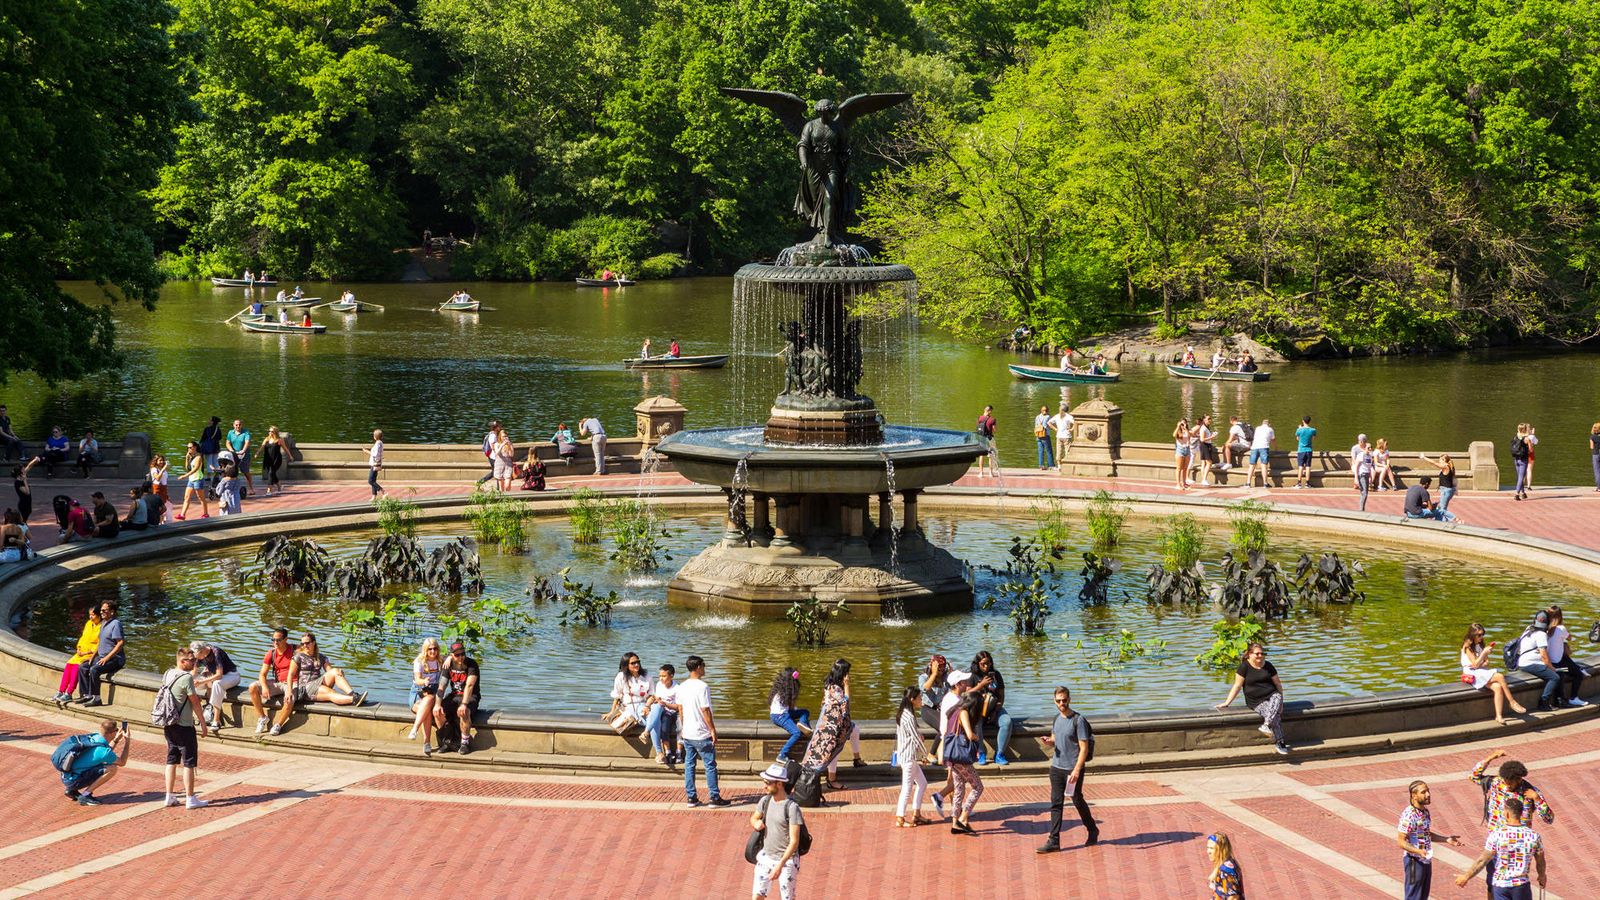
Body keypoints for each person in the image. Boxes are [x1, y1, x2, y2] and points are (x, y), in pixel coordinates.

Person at [1468, 749, 1553, 893]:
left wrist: (1537, 800)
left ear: (1519, 779)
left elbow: (1549, 819)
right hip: (1498, 841)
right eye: (1505, 781)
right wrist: (1492, 757)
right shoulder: (1496, 783)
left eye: (1510, 783)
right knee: (1492, 881)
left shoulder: (1531, 792)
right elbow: (1473, 776)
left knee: (1517, 882)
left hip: (1520, 845)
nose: (1506, 785)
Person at [269, 632, 366, 735]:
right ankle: (354, 699)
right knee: (330, 692)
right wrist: (288, 691)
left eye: (307, 643)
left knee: (336, 671)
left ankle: (352, 694)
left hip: (317, 683)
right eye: (302, 644)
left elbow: (330, 672)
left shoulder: (321, 657)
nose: (304, 646)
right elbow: (290, 675)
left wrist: (339, 673)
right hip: (305, 687)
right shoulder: (298, 657)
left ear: (314, 643)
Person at [1038, 685, 1097, 852]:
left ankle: (1092, 829)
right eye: (1058, 701)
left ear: (1069, 700)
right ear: (1054, 701)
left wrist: (1077, 770)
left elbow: (1084, 748)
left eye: (1064, 700)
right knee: (1056, 804)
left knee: (1077, 800)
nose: (1062, 703)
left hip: (1072, 769)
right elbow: (1056, 738)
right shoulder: (1057, 719)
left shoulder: (1079, 721)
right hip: (1056, 768)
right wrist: (1049, 742)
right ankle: (1054, 841)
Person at [1454, 796, 1545, 898]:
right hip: (1521, 886)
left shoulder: (1497, 835)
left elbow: (1483, 860)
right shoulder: (1533, 836)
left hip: (1501, 886)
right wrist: (1542, 876)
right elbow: (1540, 861)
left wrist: (1466, 877)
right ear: (1521, 813)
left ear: (1506, 814)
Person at [157, 647, 210, 809]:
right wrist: (202, 722)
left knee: (171, 759)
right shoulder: (186, 678)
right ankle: (190, 798)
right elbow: (194, 702)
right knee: (189, 762)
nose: (195, 664)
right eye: (192, 661)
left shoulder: (168, 673)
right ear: (182, 661)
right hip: (184, 725)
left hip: (169, 722)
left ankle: (169, 796)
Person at [1214, 642, 1290, 754]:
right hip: (1256, 701)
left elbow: (1278, 685)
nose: (1260, 656)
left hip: (1272, 696)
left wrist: (1281, 703)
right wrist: (1227, 702)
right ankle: (1280, 742)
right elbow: (1237, 686)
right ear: (1249, 654)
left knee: (1277, 696)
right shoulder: (1244, 667)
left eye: (1262, 653)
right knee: (1275, 716)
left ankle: (1266, 725)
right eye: (1257, 654)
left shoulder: (1268, 665)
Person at [801, 659, 864, 788]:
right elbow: (845, 704)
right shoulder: (835, 688)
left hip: (833, 723)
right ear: (843, 673)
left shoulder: (830, 684)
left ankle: (857, 759)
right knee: (834, 749)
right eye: (847, 672)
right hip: (832, 727)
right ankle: (832, 780)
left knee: (855, 730)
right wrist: (847, 686)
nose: (849, 675)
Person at [1396, 780, 1461, 899]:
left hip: (1425, 860)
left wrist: (1446, 839)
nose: (1428, 794)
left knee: (1423, 896)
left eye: (1428, 791)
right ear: (1414, 795)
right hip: (1414, 862)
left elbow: (1425, 833)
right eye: (1423, 792)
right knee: (1413, 897)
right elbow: (1401, 841)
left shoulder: (1425, 812)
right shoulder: (1408, 815)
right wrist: (1418, 851)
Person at [749, 762, 805, 900]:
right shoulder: (765, 801)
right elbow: (754, 817)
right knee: (757, 896)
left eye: (768, 783)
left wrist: (780, 865)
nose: (764, 786)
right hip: (766, 856)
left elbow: (794, 841)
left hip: (787, 861)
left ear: (779, 784)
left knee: (787, 898)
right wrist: (755, 823)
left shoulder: (792, 808)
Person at [676, 655, 727, 806]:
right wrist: (712, 730)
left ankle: (691, 797)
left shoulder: (682, 686)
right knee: (710, 765)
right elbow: (705, 710)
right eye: (703, 665)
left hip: (688, 733)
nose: (704, 668)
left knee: (689, 765)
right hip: (701, 733)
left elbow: (680, 708)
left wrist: (684, 726)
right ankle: (714, 797)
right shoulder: (702, 686)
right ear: (698, 667)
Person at [1460, 624, 1526, 725]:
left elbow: (1486, 663)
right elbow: (1474, 664)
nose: (1481, 637)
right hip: (1471, 673)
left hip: (1480, 671)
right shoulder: (1467, 646)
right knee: (1500, 676)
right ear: (1472, 635)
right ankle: (1512, 702)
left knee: (1498, 687)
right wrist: (1484, 653)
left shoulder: (1480, 644)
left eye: (1483, 635)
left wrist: (1483, 657)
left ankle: (1498, 716)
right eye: (1479, 635)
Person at [943, 684, 984, 835]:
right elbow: (969, 734)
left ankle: (955, 823)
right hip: (962, 757)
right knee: (978, 787)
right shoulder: (964, 712)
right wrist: (977, 737)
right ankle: (963, 817)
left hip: (953, 756)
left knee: (959, 788)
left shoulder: (954, 710)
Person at [59, 719, 130, 806]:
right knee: (112, 768)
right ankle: (85, 796)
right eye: (116, 730)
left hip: (66, 776)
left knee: (99, 762)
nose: (117, 732)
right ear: (111, 733)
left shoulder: (95, 737)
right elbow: (122, 762)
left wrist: (116, 740)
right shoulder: (103, 752)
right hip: (74, 781)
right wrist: (127, 741)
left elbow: (103, 754)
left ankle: (71, 790)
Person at [433, 641, 480, 754]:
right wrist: (437, 704)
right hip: (454, 695)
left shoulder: (472, 664)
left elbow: (469, 685)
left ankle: (464, 743)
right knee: (438, 712)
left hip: (470, 696)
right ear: (452, 655)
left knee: (464, 712)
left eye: (462, 654)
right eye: (457, 655)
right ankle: (448, 741)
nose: (460, 657)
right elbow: (442, 685)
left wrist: (464, 704)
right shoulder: (448, 664)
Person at [74, 600, 123, 708]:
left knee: (94, 669)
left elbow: (120, 643)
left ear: (112, 612)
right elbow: (101, 642)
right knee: (83, 667)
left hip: (115, 659)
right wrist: (93, 655)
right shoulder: (104, 623)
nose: (101, 613)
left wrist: (107, 658)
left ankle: (97, 698)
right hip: (101, 657)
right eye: (101, 610)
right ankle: (87, 695)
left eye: (104, 610)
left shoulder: (116, 624)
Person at [969, 650, 1013, 765]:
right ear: (977, 664)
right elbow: (966, 694)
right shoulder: (973, 676)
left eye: (988, 663)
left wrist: (996, 710)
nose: (986, 666)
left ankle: (999, 754)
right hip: (979, 709)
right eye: (983, 664)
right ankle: (981, 752)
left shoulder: (996, 675)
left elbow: (1001, 696)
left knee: (1007, 722)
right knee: (976, 723)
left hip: (994, 708)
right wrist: (981, 685)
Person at [894, 686, 929, 828]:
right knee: (907, 788)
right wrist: (925, 755)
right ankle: (900, 818)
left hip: (910, 756)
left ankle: (916, 813)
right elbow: (915, 738)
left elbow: (912, 735)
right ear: (912, 699)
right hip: (908, 757)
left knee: (922, 783)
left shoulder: (905, 713)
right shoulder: (908, 716)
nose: (922, 700)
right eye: (920, 698)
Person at [1512, 611, 1562, 711]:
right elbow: (1544, 656)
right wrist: (1552, 668)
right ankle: (1543, 702)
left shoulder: (1529, 629)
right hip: (1530, 664)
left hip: (1521, 662)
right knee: (1555, 677)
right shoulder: (1541, 634)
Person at [249, 628, 297, 734]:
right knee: (253, 687)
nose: (275, 642)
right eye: (273, 640)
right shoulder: (271, 653)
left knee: (289, 698)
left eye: (278, 640)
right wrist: (265, 687)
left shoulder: (295, 650)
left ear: (286, 639)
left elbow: (312, 653)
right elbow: (262, 674)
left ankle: (278, 725)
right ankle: (262, 717)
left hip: (293, 683)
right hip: (278, 682)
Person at [53, 606, 101, 705]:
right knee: (69, 664)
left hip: (89, 654)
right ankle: (61, 691)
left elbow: (99, 645)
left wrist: (86, 652)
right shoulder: (89, 624)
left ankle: (69, 692)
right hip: (81, 652)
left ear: (98, 615)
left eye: (93, 615)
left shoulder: (102, 627)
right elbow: (83, 637)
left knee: (76, 667)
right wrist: (78, 648)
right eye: (90, 615)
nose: (91, 617)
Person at [189, 641, 239, 729]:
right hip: (215, 676)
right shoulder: (199, 655)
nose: (196, 659)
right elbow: (194, 672)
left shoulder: (216, 652)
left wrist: (201, 682)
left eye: (196, 656)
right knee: (192, 682)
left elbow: (219, 675)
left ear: (202, 651)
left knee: (216, 684)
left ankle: (216, 720)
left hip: (232, 675)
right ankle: (200, 712)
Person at [1544, 605, 1587, 708]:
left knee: (1564, 649)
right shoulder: (1561, 628)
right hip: (1557, 662)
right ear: (1560, 616)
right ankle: (1573, 698)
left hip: (1548, 661)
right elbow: (1570, 638)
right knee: (1578, 675)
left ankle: (1578, 667)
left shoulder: (1545, 629)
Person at [768, 666, 812, 762]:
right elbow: (789, 708)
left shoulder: (781, 690)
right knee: (796, 733)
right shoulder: (784, 693)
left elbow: (790, 708)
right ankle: (782, 755)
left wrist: (796, 711)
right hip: (779, 716)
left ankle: (802, 723)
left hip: (784, 712)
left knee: (805, 711)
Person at [604, 652, 652, 734]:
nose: (636, 665)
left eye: (638, 662)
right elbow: (617, 696)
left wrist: (647, 707)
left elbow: (651, 695)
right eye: (633, 663)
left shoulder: (646, 676)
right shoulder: (621, 676)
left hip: (643, 705)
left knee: (652, 720)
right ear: (626, 665)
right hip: (628, 706)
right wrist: (612, 712)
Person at [409, 637, 443, 753]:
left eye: (435, 649)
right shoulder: (419, 661)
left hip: (432, 693)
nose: (433, 651)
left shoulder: (440, 661)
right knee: (428, 707)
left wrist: (448, 660)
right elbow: (417, 679)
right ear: (425, 650)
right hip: (418, 693)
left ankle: (415, 730)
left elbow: (452, 658)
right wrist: (424, 681)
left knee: (430, 699)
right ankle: (425, 741)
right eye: (430, 649)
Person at [642, 663, 679, 766]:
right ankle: (662, 752)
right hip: (659, 710)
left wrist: (666, 704)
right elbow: (655, 698)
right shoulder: (659, 685)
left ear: (671, 676)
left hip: (670, 712)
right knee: (656, 708)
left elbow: (678, 707)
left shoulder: (677, 688)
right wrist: (647, 706)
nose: (661, 678)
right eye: (660, 676)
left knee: (660, 713)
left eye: (664, 676)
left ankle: (646, 732)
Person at [176, 441, 210, 521]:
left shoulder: (199, 457)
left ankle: (206, 513)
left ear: (195, 447)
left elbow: (195, 469)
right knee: (187, 497)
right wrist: (187, 458)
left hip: (198, 479)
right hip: (191, 480)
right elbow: (187, 468)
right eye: (188, 447)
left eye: (190, 447)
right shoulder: (191, 456)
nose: (189, 449)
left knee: (201, 497)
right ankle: (182, 514)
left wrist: (184, 476)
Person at [1206, 833, 1245, 899]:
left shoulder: (1226, 869)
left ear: (1221, 850)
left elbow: (1234, 897)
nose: (1208, 851)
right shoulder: (1226, 862)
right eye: (1208, 847)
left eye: (1212, 848)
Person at [226, 419, 254, 494]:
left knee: (246, 472)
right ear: (233, 425)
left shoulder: (246, 432)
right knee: (231, 471)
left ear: (242, 425)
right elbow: (228, 443)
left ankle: (251, 488)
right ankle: (231, 487)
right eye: (236, 425)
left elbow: (247, 442)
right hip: (234, 454)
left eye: (239, 425)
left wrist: (243, 450)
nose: (238, 426)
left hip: (244, 455)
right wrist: (231, 450)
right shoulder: (230, 433)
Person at [1509, 423, 1535, 500]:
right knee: (1521, 477)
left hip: (1516, 459)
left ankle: (1523, 493)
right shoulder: (1526, 438)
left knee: (1520, 476)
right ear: (1525, 429)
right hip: (1523, 460)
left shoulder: (1516, 436)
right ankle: (1517, 494)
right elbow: (1531, 450)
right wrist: (1531, 439)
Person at [1247, 418, 1274, 489]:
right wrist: (1276, 448)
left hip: (1254, 447)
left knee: (1252, 465)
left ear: (1262, 423)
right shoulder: (1270, 429)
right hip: (1264, 447)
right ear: (1269, 424)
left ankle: (1248, 483)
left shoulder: (1257, 428)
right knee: (1264, 465)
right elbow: (1273, 439)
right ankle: (1265, 484)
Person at [259, 427, 284, 495]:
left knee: (271, 473)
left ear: (275, 432)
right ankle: (279, 485)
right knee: (272, 473)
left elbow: (285, 448)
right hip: (268, 459)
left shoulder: (279, 440)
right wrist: (257, 453)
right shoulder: (267, 439)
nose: (270, 432)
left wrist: (290, 456)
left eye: (272, 431)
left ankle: (269, 490)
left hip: (276, 459)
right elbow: (262, 446)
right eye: (269, 431)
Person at [1293, 416, 1316, 489]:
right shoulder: (1313, 430)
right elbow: (1313, 439)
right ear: (1310, 421)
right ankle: (1307, 483)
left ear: (1303, 421)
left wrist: (1300, 428)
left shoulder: (1299, 430)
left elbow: (1297, 439)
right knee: (1308, 466)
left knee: (1300, 466)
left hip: (1301, 450)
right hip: (1309, 450)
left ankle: (1299, 483)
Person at [1194, 414, 1217, 486]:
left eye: (1210, 418)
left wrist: (1211, 435)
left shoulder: (1206, 427)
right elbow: (1202, 439)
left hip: (1205, 445)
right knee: (1209, 463)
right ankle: (1204, 479)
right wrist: (1212, 437)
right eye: (1208, 419)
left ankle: (1203, 479)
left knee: (1204, 463)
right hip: (1205, 446)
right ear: (1204, 420)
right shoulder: (1203, 428)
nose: (1210, 420)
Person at [1050, 404, 1074, 471]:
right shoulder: (1069, 416)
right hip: (1067, 436)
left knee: (1059, 451)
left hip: (1059, 436)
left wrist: (1055, 429)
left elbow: (1049, 423)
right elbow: (1076, 423)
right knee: (1067, 451)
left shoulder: (1057, 416)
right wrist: (1071, 429)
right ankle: (1067, 465)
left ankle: (1059, 466)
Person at [975, 405, 998, 477]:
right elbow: (994, 430)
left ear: (984, 410)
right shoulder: (992, 419)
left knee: (981, 456)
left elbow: (977, 428)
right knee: (990, 456)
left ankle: (981, 473)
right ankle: (990, 473)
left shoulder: (979, 418)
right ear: (990, 411)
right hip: (989, 439)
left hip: (981, 438)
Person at [477, 421, 502, 485]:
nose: (500, 426)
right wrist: (498, 453)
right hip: (493, 457)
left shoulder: (493, 434)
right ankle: (480, 482)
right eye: (499, 426)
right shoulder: (493, 435)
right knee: (495, 472)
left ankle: (480, 482)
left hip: (493, 456)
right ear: (495, 427)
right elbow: (493, 447)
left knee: (495, 472)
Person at [13, 456, 37, 522]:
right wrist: (25, 480)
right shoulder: (18, 482)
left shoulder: (22, 475)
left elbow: (29, 466)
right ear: (20, 472)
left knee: (24, 521)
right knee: (23, 522)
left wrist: (35, 460)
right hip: (23, 505)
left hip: (28, 503)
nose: (25, 470)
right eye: (23, 469)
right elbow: (27, 492)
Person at [146, 454, 169, 518]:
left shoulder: (162, 468)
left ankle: (158, 519)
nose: (162, 462)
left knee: (163, 507)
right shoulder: (154, 469)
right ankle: (155, 518)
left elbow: (165, 480)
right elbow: (158, 478)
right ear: (156, 461)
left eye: (163, 460)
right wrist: (163, 469)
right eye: (160, 460)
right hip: (157, 488)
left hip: (164, 489)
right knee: (158, 506)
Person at [1172, 418, 1192, 489]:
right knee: (1179, 468)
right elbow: (1174, 435)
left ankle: (1184, 483)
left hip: (1187, 449)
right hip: (1180, 450)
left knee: (1185, 468)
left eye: (1184, 423)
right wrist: (1178, 426)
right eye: (1182, 423)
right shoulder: (1178, 431)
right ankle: (1178, 484)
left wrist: (1186, 428)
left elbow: (1190, 435)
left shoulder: (1187, 430)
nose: (1183, 424)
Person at [365, 429, 385, 498]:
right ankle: (374, 496)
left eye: (373, 435)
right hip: (376, 464)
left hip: (374, 464)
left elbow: (375, 454)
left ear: (375, 437)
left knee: (370, 481)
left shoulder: (378, 444)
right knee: (373, 480)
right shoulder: (380, 443)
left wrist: (366, 451)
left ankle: (382, 490)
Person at [1589, 422, 1600, 492]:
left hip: (1596, 454)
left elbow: (1591, 447)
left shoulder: (1592, 437)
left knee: (1597, 471)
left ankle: (1599, 487)